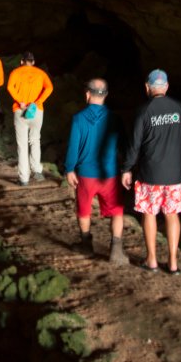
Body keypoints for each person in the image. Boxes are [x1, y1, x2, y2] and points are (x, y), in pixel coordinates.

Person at [121, 69, 181, 275]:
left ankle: (152, 261)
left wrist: (127, 168)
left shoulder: (143, 111)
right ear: (166, 87)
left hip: (149, 175)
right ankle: (173, 263)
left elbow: (134, 145)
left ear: (147, 87)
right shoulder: (179, 109)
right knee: (172, 215)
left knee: (149, 214)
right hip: (174, 175)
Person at [64, 78, 128, 265]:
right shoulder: (115, 119)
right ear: (106, 95)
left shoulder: (78, 119)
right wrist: (126, 169)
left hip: (85, 175)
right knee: (117, 211)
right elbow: (124, 147)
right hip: (109, 174)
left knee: (84, 211)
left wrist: (69, 169)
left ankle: (86, 245)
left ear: (87, 94)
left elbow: (73, 147)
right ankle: (116, 250)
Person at [6, 52, 54, 185]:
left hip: (20, 110)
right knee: (35, 140)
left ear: (22, 61)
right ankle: (37, 171)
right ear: (33, 62)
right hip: (36, 111)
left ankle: (24, 178)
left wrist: (20, 101)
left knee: (22, 145)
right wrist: (38, 101)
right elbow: (50, 88)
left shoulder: (15, 72)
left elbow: (10, 87)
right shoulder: (41, 73)